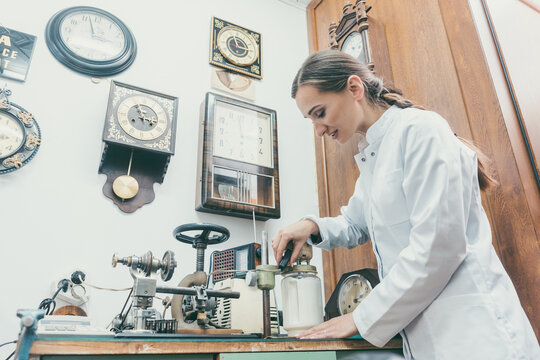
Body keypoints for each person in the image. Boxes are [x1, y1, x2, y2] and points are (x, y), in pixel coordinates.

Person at [272, 49, 539, 359]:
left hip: (477, 335)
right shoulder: (375, 154)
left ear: (355, 89)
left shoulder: (419, 131)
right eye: (311, 120)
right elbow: (355, 222)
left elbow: (438, 247)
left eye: (320, 113)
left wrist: (360, 317)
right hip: (431, 337)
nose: (318, 130)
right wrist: (312, 226)